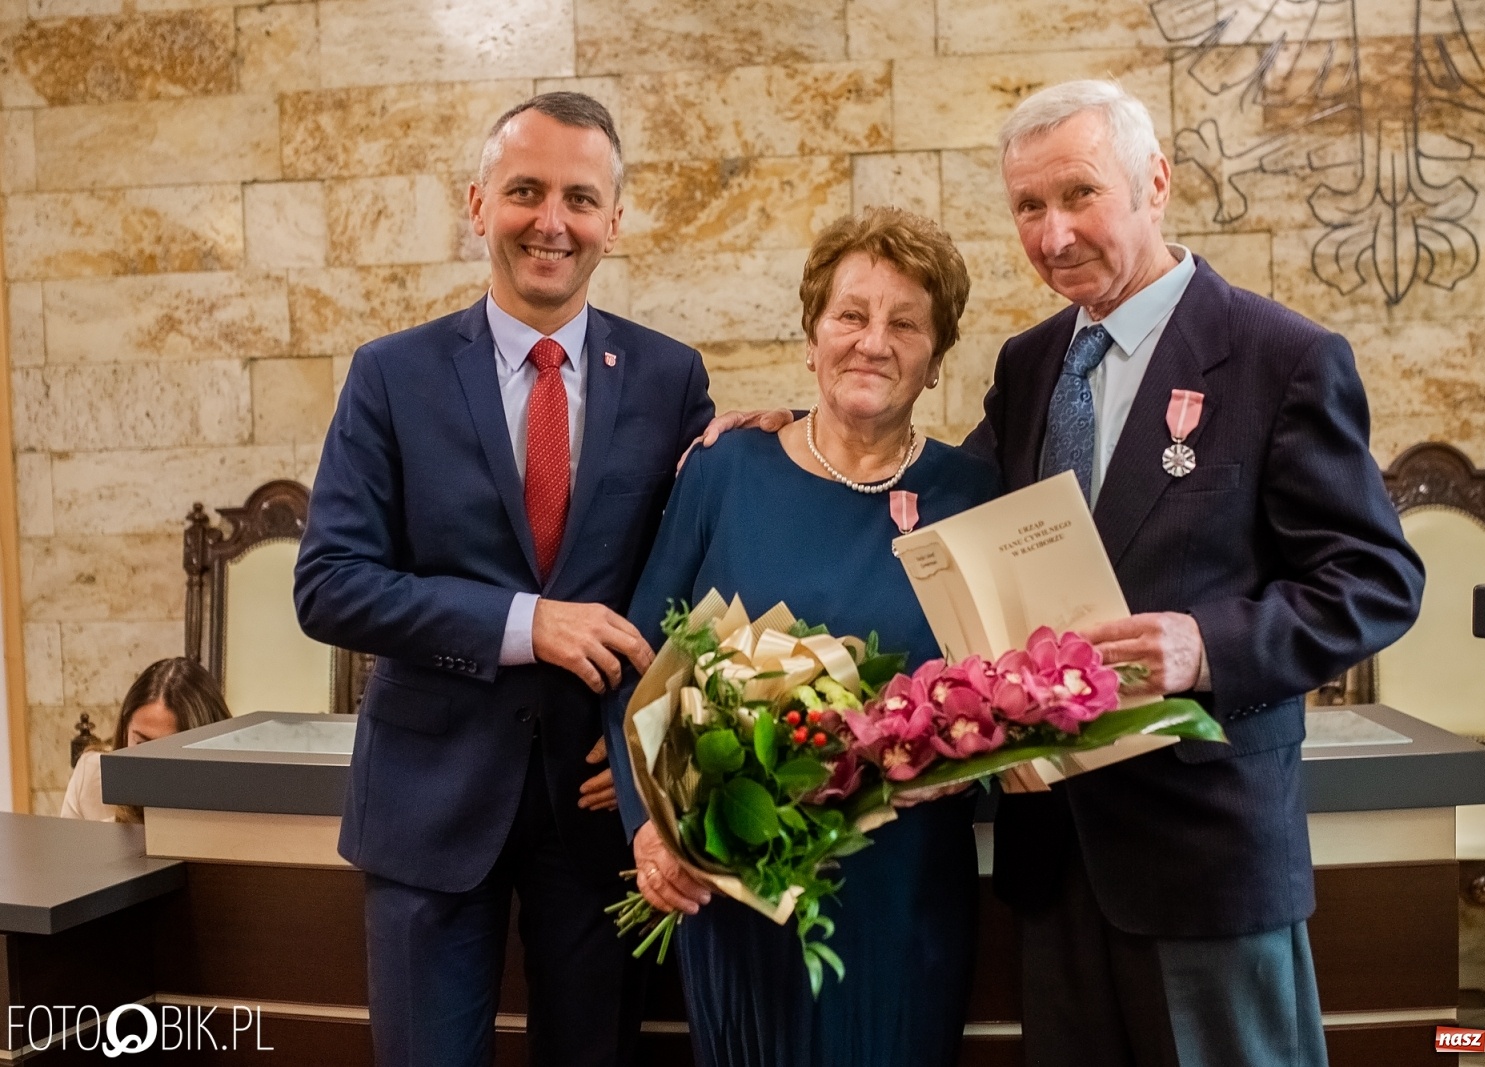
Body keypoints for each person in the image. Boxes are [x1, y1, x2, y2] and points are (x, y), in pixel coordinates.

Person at [703, 81, 1424, 1067]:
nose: (1051, 235)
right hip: (1054, 856)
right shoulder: (1033, 361)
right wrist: (797, 430)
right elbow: (935, 495)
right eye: (1028, 207)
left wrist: (1204, 646)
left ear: (1155, 181)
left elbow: (1376, 578)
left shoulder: (1280, 357)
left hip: (1202, 859)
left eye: (1079, 195)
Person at [294, 92, 715, 1067]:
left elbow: (689, 585)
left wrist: (654, 744)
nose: (551, 221)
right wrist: (527, 622)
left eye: (579, 196)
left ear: (615, 219)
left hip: (602, 810)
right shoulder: (388, 375)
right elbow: (329, 583)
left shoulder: (670, 379)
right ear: (477, 204)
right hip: (426, 814)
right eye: (525, 190)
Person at [605, 206, 1001, 1067]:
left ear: (936, 359)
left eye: (905, 323)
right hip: (736, 895)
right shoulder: (724, 469)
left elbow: (1010, 704)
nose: (873, 340)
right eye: (850, 315)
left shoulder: (974, 493)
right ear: (812, 334)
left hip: (904, 898)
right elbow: (639, 669)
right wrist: (648, 830)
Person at [61, 657, 231, 823]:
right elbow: (68, 849)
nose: (154, 765)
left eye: (171, 750)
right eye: (142, 744)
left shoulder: (232, 802)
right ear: (125, 732)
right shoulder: (92, 777)